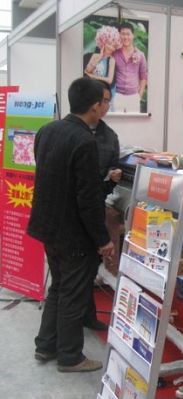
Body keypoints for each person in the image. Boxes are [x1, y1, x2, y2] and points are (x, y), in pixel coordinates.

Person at [27, 77, 114, 372]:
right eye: (104, 101)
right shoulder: (84, 141)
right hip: (73, 233)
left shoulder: (47, 130)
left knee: (60, 287)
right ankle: (70, 356)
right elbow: (88, 199)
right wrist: (103, 239)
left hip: (48, 226)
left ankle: (45, 345)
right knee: (73, 295)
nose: (105, 106)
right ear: (94, 105)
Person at [83, 81, 122, 331]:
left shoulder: (109, 137)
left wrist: (111, 179)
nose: (106, 105)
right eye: (103, 100)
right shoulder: (70, 133)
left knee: (86, 272)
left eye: (109, 100)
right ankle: (67, 345)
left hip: (93, 206)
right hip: (73, 215)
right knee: (71, 281)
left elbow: (106, 178)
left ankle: (86, 317)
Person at [112, 21, 148, 113]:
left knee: (133, 121)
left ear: (133, 36)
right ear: (119, 35)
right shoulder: (115, 54)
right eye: (123, 34)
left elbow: (143, 77)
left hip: (133, 96)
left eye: (128, 34)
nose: (125, 37)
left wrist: (139, 96)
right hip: (118, 95)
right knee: (117, 121)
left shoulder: (140, 55)